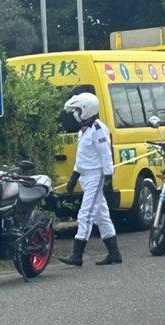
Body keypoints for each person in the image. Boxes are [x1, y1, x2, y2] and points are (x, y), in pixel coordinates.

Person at [59, 92, 123, 267]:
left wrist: (108, 178)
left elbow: (105, 154)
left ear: (86, 110)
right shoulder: (84, 130)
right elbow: (82, 158)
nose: (75, 113)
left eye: (77, 110)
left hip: (96, 176)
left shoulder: (98, 129)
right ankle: (114, 253)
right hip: (85, 176)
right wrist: (74, 177)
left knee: (85, 214)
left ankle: (77, 254)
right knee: (101, 215)